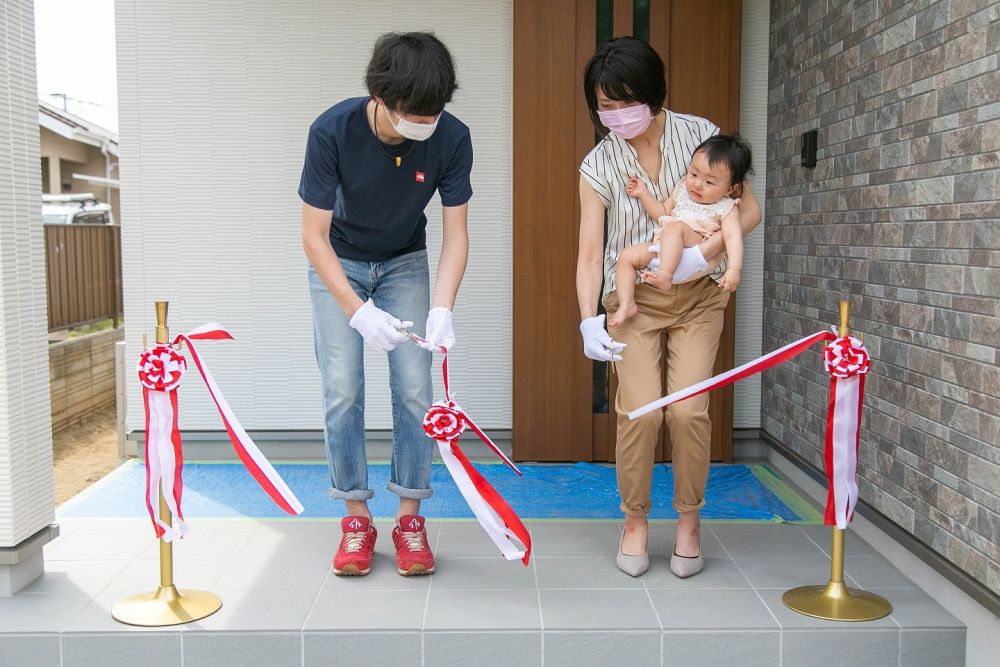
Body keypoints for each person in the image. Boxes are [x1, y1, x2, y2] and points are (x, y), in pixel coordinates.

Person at [576, 37, 761, 577]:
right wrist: (589, 317)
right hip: (634, 299)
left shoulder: (701, 136)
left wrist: (703, 258)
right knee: (640, 410)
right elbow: (591, 251)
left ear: (653, 95)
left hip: (699, 299)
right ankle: (635, 522)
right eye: (603, 106)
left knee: (687, 409)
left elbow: (747, 211)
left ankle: (688, 521)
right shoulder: (598, 163)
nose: (614, 115)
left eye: (623, 102)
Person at [299, 32, 472, 577]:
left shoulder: (452, 137)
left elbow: (456, 234)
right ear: (380, 95)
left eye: (434, 111)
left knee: (416, 389)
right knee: (342, 387)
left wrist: (442, 307)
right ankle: (355, 518)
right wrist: (355, 309)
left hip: (405, 261)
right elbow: (312, 234)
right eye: (413, 112)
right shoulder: (332, 131)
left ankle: (409, 520)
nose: (425, 122)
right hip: (340, 259)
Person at [608, 134, 753, 326]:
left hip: (698, 246)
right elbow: (661, 213)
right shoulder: (682, 190)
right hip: (665, 248)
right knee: (626, 256)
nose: (697, 184)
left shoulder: (727, 206)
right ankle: (627, 303)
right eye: (693, 174)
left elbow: (733, 237)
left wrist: (734, 269)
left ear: (729, 189)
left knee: (675, 228)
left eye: (709, 182)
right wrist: (644, 194)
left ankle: (665, 276)